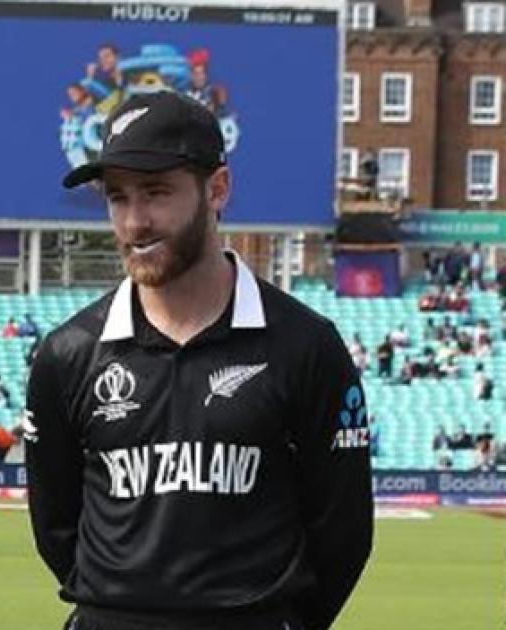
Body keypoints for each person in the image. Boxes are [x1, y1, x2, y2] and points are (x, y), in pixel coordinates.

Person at [30, 91, 372, 630]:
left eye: (156, 192)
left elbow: (342, 532)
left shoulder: (306, 346)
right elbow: (55, 525)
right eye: (117, 197)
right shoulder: (68, 353)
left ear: (217, 188)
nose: (134, 222)